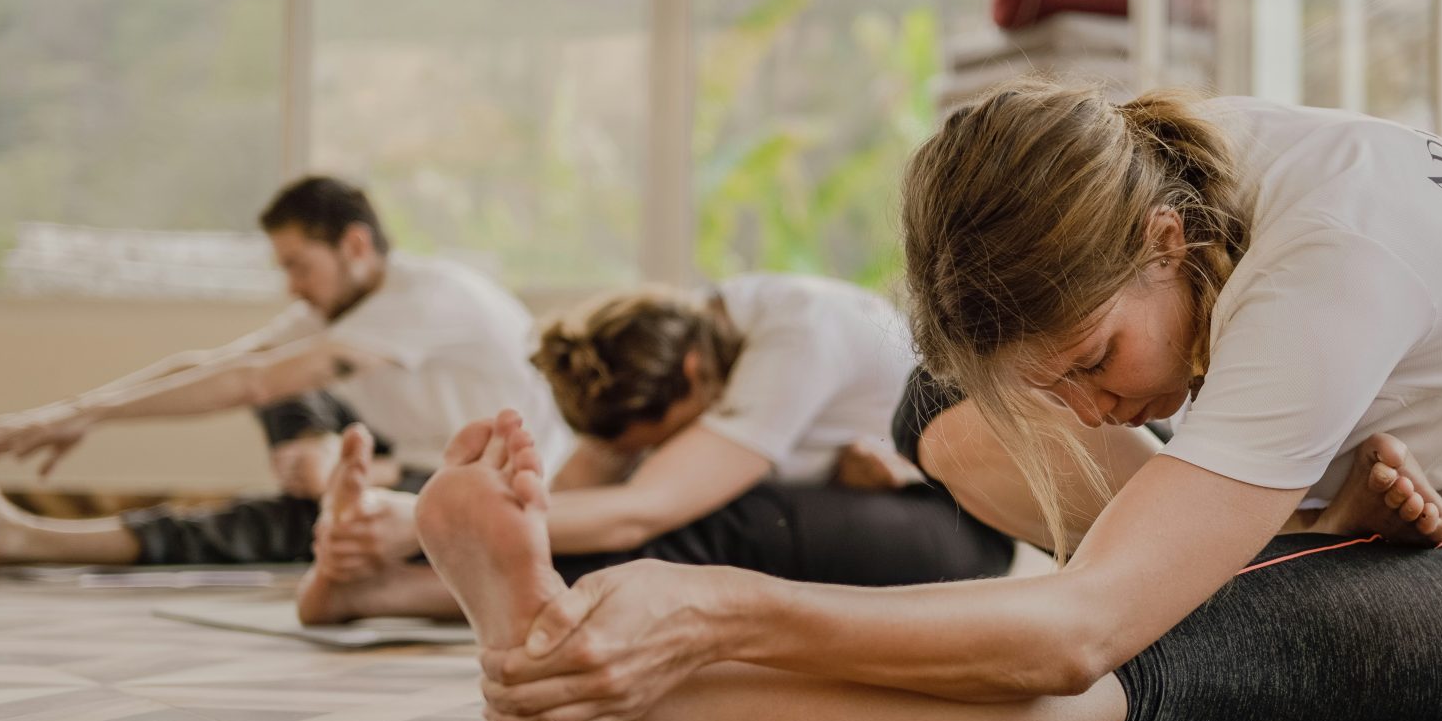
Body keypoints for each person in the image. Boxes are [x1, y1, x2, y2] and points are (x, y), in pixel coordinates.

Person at [409, 79, 1442, 721]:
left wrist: (718, 609)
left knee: (1118, 652)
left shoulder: (1318, 258)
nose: (1085, 410)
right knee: (935, 412)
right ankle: (1264, 553)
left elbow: (1078, 626)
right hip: (1370, 503)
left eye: (1091, 361)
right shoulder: (1168, 162)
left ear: (1164, 247)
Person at [292, 274, 1017, 624]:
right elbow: (585, 494)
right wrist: (424, 532)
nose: (653, 452)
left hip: (960, 534)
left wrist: (413, 516)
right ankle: (384, 584)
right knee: (701, 513)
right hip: (852, 510)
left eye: (657, 440)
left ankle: (392, 593)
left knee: (722, 520)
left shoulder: (795, 339)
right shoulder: (681, 340)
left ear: (694, 381)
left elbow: (640, 511)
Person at [0, 176, 568, 575]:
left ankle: (21, 539)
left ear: (355, 246)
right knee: (276, 377)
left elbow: (254, 383)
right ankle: (323, 474)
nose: (291, 286)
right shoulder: (334, 309)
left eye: (299, 266)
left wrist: (78, 416)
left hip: (491, 481)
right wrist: (81, 409)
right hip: (404, 455)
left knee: (300, 475)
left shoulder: (432, 295)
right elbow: (219, 367)